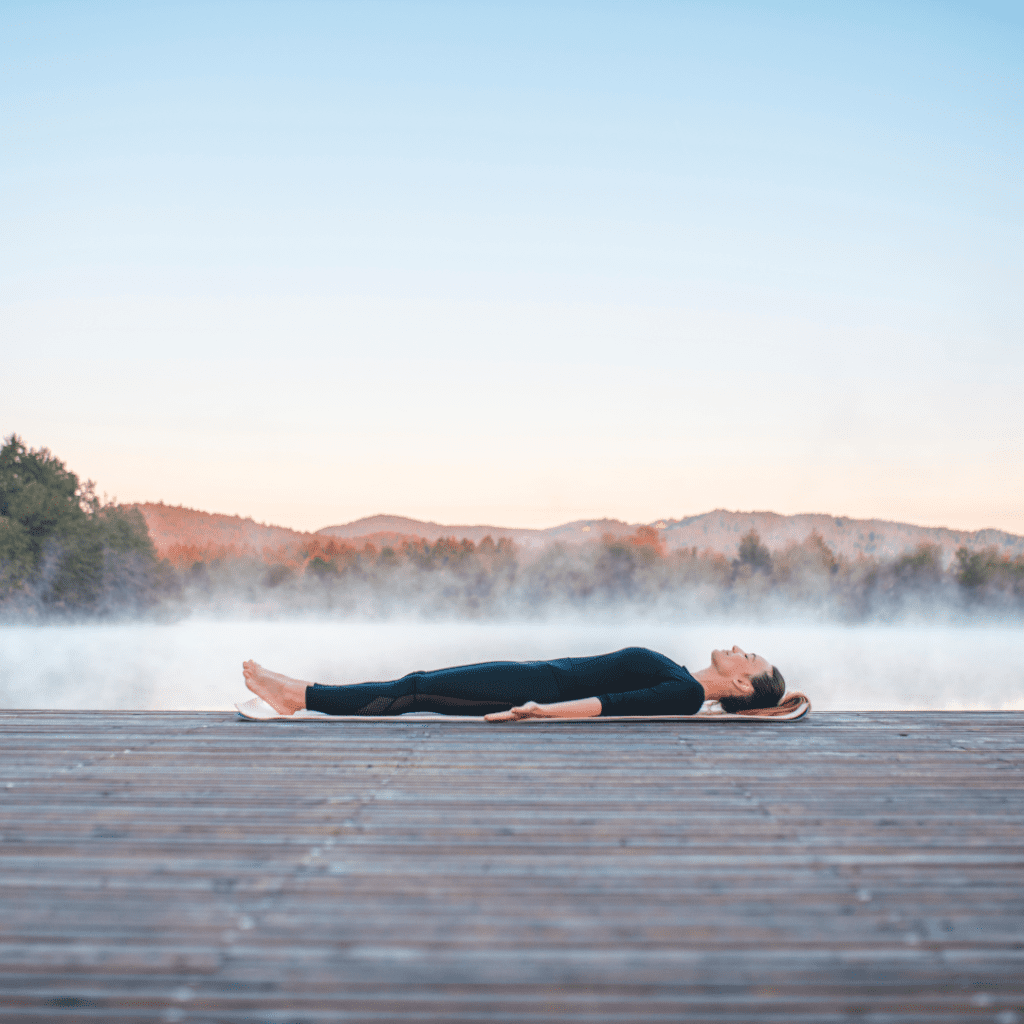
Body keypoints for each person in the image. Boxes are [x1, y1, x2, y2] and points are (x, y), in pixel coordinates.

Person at [241, 645, 786, 720]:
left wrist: (539, 711)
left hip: (530, 690)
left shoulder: (686, 694)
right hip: (530, 678)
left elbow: (609, 705)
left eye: (752, 657)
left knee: (415, 689)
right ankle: (301, 695)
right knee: (419, 685)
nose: (741, 647)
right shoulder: (683, 679)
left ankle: (298, 697)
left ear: (740, 685)